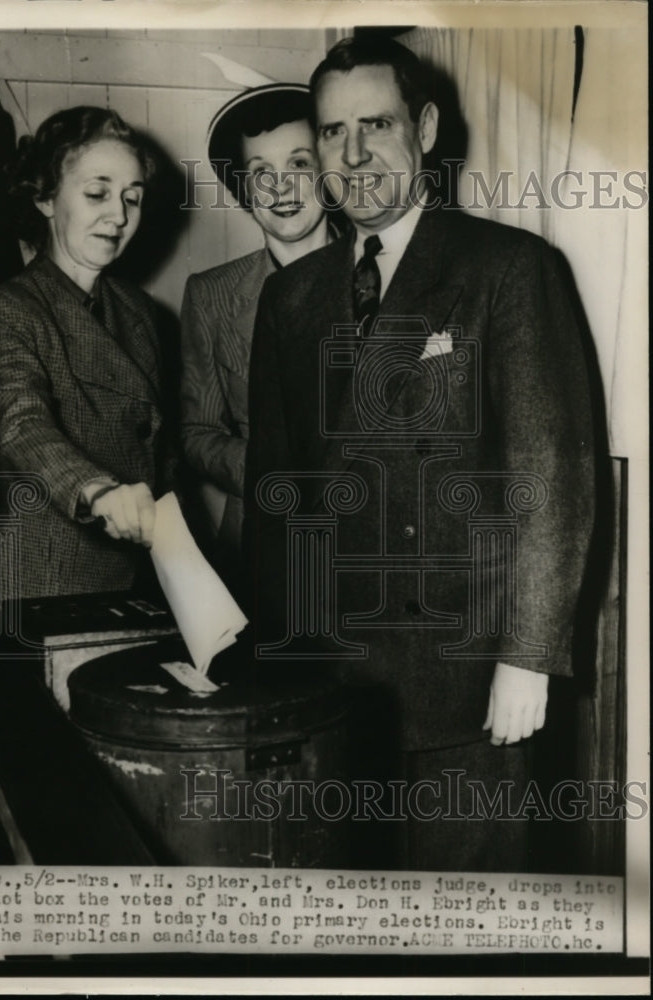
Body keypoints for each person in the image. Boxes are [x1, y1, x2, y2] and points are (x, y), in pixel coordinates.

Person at [244, 37, 596, 870]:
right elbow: (274, 490)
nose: (353, 153)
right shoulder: (290, 295)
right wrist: (268, 654)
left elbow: (550, 476)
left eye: (376, 124)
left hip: (464, 683)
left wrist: (527, 657)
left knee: (467, 927)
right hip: (328, 682)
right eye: (332, 133)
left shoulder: (508, 270)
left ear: (425, 128)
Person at [0, 106, 175, 607]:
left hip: (143, 587)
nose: (119, 215)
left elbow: (163, 458)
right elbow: (19, 421)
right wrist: (97, 492)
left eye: (133, 198)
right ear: (44, 197)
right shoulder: (1, 308)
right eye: (97, 193)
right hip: (43, 587)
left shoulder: (141, 313)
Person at [180, 84, 341, 592]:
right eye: (261, 174)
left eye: (299, 164)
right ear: (244, 192)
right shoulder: (211, 295)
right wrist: (269, 468)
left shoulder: (386, 274)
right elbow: (196, 431)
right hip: (260, 549)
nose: (282, 189)